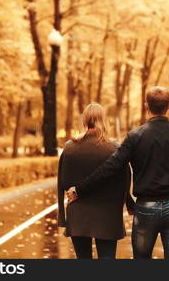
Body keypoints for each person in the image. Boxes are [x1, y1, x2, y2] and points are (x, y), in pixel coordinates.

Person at [67, 86, 169, 259]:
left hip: (146, 207)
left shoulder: (135, 136)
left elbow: (111, 167)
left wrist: (80, 190)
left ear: (146, 106)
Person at [57, 102, 135, 259]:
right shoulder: (114, 148)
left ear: (85, 120)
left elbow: (63, 182)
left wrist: (62, 217)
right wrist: (128, 203)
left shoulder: (70, 148)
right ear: (104, 120)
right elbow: (125, 180)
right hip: (108, 214)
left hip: (78, 214)